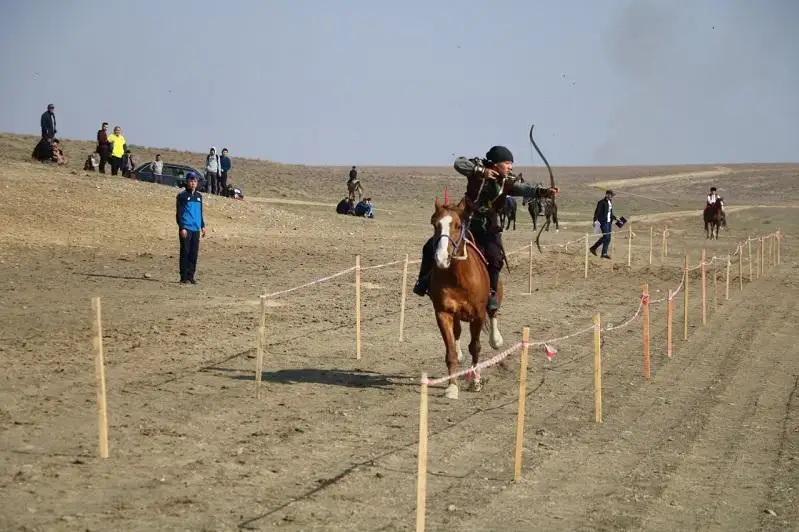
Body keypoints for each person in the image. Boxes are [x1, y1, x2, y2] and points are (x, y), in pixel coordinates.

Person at [412, 146, 555, 311]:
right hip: (465, 222)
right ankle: (423, 281)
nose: (510, 167)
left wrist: (543, 192)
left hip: (488, 226)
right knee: (430, 246)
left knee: (495, 258)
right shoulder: (477, 168)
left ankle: (491, 293)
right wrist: (480, 171)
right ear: (495, 164)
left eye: (511, 163)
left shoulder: (507, 180)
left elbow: (524, 189)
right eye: (507, 163)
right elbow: (459, 163)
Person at [175, 172, 206, 284]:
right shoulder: (182, 196)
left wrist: (202, 226)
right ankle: (183, 277)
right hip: (186, 228)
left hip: (195, 229)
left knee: (193, 253)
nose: (193, 183)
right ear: (187, 181)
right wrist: (182, 227)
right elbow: (179, 214)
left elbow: (200, 212)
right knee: (185, 252)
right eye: (191, 181)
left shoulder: (199, 196)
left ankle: (191, 276)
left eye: (195, 181)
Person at [590, 190, 617, 259]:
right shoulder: (601, 202)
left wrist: (615, 218)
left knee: (608, 238)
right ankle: (594, 248)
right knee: (606, 236)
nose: (612, 196)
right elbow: (597, 212)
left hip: (609, 222)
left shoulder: (610, 202)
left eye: (612, 195)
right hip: (603, 222)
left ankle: (603, 253)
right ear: (607, 194)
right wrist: (595, 220)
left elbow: (610, 213)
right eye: (611, 195)